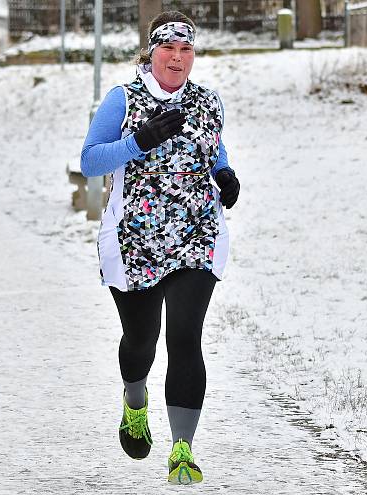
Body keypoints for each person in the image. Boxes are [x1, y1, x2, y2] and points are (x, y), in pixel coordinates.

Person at [79, 11, 240, 485]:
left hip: (196, 235)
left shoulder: (207, 102)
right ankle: (134, 399)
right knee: (141, 341)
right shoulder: (122, 100)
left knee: (185, 337)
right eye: (168, 48)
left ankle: (182, 450)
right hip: (135, 241)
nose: (177, 57)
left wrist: (224, 174)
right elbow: (90, 160)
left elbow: (213, 148)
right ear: (151, 53)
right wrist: (137, 143)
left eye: (185, 49)